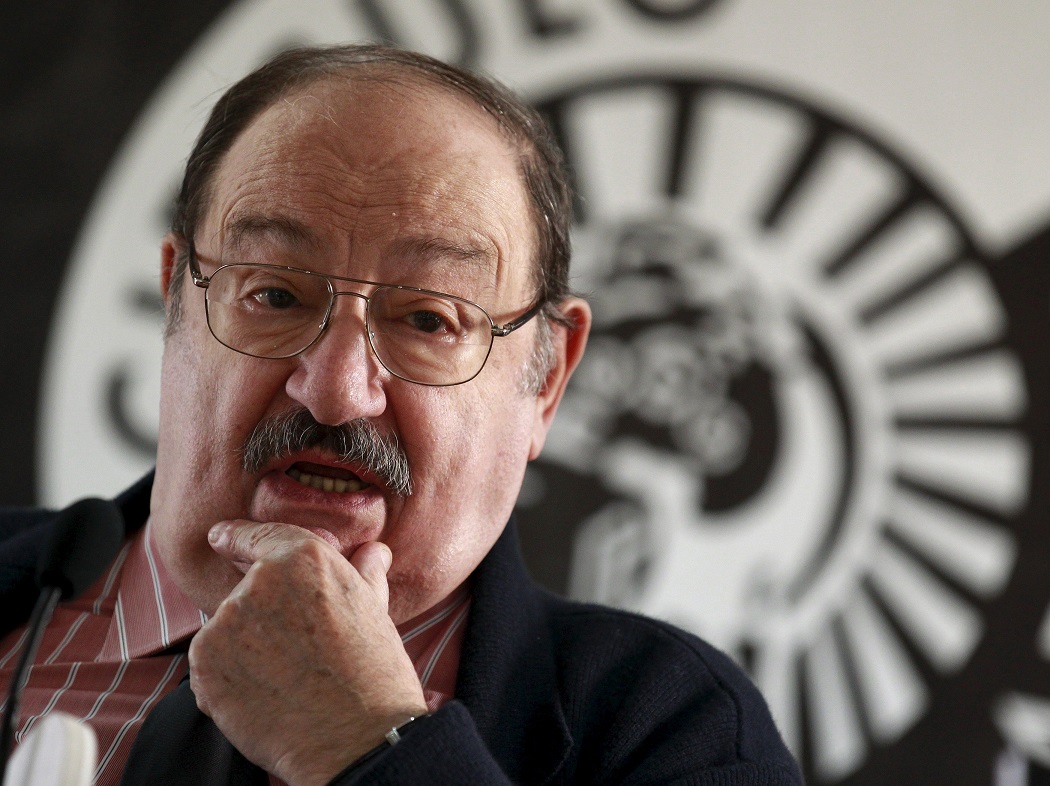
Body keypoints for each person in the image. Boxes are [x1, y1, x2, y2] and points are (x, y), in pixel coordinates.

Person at [0, 44, 803, 785]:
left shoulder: (679, 732)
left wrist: (366, 742)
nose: (336, 391)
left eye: (428, 320)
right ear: (176, 301)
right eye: (274, 295)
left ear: (547, 381)